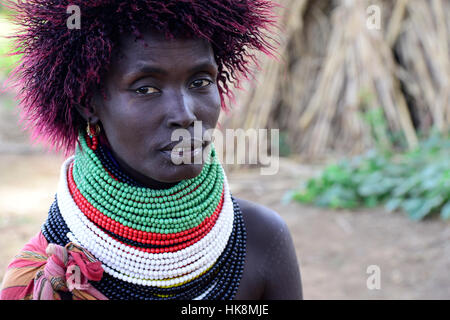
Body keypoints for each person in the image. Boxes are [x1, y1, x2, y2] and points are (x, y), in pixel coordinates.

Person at [0, 0, 302, 300]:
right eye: (146, 89)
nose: (185, 115)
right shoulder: (47, 279)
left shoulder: (262, 240)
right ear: (88, 104)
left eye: (200, 81)